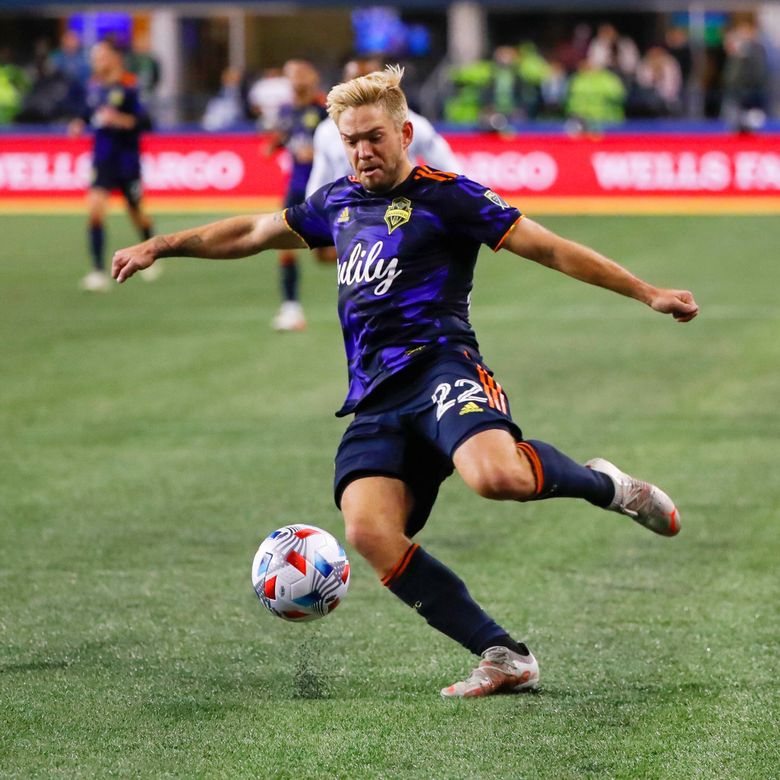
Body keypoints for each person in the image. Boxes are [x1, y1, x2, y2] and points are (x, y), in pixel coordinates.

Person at [111, 66, 699, 698]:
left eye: (374, 137)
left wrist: (648, 292)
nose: (362, 151)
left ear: (404, 132)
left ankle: (605, 484)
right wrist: (161, 245)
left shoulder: (449, 196)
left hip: (443, 366)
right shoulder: (334, 202)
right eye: (351, 140)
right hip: (375, 398)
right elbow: (253, 232)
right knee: (368, 531)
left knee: (497, 477)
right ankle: (503, 655)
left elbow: (551, 248)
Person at [305, 56, 458, 265]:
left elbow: (450, 170)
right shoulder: (326, 131)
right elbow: (319, 180)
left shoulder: (412, 123)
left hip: (400, 217)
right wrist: (315, 220)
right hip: (352, 219)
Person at [69, 39, 155, 292]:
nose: (96, 61)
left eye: (101, 56)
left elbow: (144, 122)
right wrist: (78, 124)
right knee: (95, 210)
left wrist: (119, 119)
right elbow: (86, 114)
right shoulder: (93, 87)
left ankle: (151, 252)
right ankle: (97, 270)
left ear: (114, 58)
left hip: (126, 159)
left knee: (136, 212)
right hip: (102, 158)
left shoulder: (129, 86)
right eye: (94, 57)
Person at [267, 59, 327, 331]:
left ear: (313, 77)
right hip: (296, 186)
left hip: (324, 187)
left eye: (301, 74)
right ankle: (291, 308)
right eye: (291, 75)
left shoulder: (326, 108)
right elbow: (283, 136)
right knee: (283, 242)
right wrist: (274, 144)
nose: (296, 80)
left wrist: (317, 153)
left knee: (326, 255)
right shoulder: (287, 110)